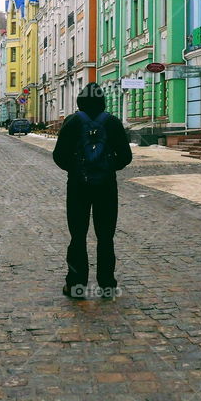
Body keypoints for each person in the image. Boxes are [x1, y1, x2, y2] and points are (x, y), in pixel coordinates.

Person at [53, 83, 133, 299]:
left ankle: (76, 285)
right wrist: (107, 168)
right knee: (106, 237)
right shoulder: (113, 122)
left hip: (78, 187)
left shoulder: (72, 122)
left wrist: (77, 169)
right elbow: (126, 156)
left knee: (78, 236)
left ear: (80, 100)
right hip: (106, 187)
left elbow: (59, 156)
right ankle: (107, 285)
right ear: (103, 101)